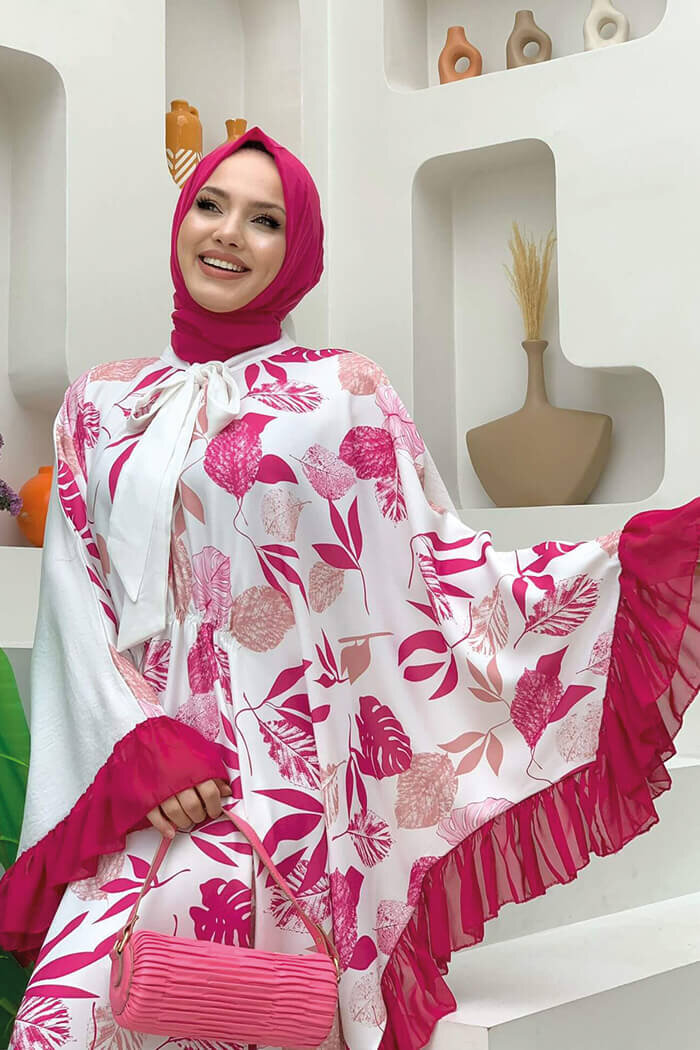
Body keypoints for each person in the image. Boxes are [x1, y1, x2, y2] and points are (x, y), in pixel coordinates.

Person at [1, 125, 699, 1050]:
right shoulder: (100, 401)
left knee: (241, 1007)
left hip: (291, 795)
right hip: (146, 778)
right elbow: (75, 595)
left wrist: (640, 558)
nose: (228, 234)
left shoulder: (342, 393)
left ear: (299, 255)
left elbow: (437, 578)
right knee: (61, 1020)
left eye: (265, 221)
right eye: (210, 206)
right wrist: (141, 751)